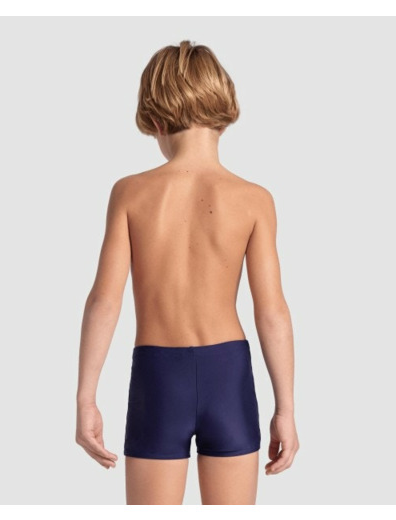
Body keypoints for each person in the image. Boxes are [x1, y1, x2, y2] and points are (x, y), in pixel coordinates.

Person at [75, 39, 299, 505]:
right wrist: (286, 408)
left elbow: (104, 301)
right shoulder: (254, 199)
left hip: (157, 377)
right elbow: (272, 312)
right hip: (229, 375)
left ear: (156, 120)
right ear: (223, 113)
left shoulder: (130, 193)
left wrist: (86, 398)